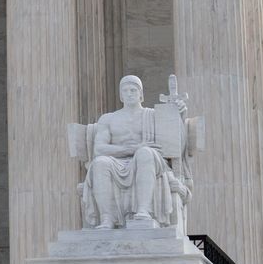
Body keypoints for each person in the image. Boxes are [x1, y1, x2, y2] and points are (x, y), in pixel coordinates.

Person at [78, 76, 190, 229]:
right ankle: (107, 218)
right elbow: (99, 149)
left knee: (145, 153)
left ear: (141, 94)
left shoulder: (153, 115)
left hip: (148, 160)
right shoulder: (108, 119)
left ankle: (143, 211)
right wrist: (133, 148)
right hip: (117, 161)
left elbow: (176, 142)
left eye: (133, 90)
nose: (129, 93)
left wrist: (179, 115)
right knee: (99, 163)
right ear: (120, 95)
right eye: (125, 90)